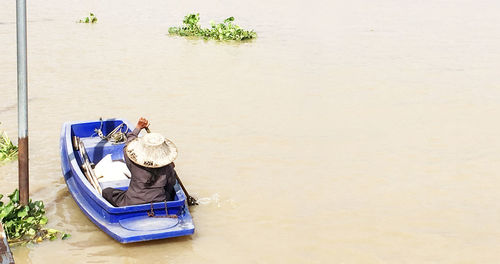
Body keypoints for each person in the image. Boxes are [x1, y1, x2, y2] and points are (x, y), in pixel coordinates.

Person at [102, 117, 179, 207]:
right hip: (159, 202)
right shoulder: (167, 167)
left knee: (107, 192)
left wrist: (138, 127)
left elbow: (127, 146)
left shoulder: (134, 163)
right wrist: (171, 168)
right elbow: (171, 182)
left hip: (132, 202)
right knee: (169, 191)